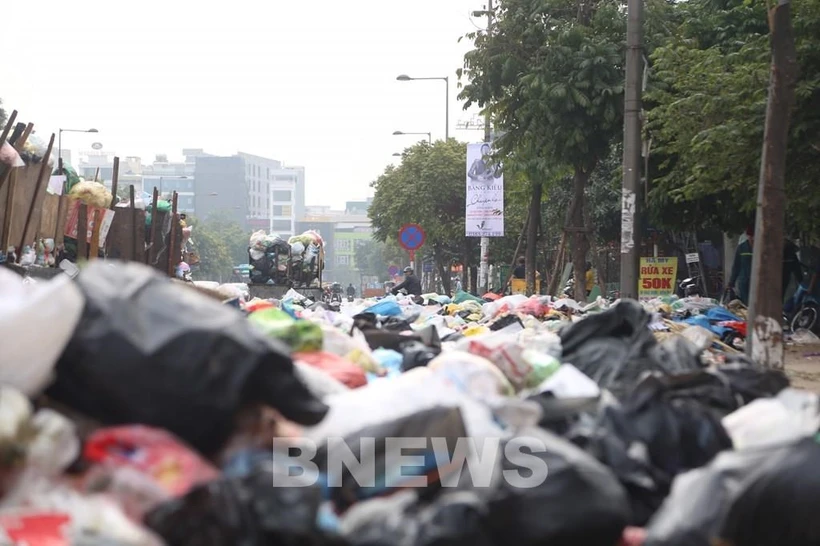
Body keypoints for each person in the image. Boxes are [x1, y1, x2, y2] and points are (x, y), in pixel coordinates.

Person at [728, 225, 755, 305]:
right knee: (746, 304)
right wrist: (731, 283)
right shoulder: (742, 248)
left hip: (757, 283)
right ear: (748, 236)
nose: (752, 239)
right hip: (744, 282)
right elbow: (736, 266)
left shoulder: (761, 248)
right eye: (751, 237)